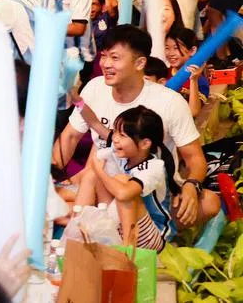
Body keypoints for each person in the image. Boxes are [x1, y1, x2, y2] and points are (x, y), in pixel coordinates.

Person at [53, 25, 221, 229]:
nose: (106, 64)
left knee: (210, 202)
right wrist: (50, 177)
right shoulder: (95, 88)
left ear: (140, 63)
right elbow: (70, 137)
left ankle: (117, 226)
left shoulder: (169, 101)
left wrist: (191, 186)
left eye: (115, 58)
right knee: (54, 199)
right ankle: (95, 222)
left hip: (151, 194)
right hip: (102, 188)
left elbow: (195, 158)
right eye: (104, 56)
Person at [74, 106, 177, 251]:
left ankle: (127, 247)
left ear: (145, 144)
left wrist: (99, 171)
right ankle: (76, 229)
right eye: (115, 131)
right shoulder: (121, 154)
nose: (115, 139)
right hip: (121, 225)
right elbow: (94, 125)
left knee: (122, 182)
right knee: (93, 175)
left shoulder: (154, 166)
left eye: (122, 135)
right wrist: (78, 102)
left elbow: (124, 194)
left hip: (150, 238)